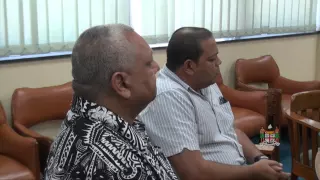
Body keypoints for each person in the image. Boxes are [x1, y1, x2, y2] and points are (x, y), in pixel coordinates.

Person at [138, 27, 290, 180]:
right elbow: (193, 173)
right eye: (212, 59)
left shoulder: (207, 83)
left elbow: (230, 131)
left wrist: (259, 159)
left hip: (240, 170)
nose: (219, 62)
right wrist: (252, 173)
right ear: (189, 66)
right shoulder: (168, 97)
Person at [43, 24, 178, 180]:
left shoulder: (84, 118)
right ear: (121, 84)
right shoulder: (113, 166)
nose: (157, 68)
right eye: (148, 63)